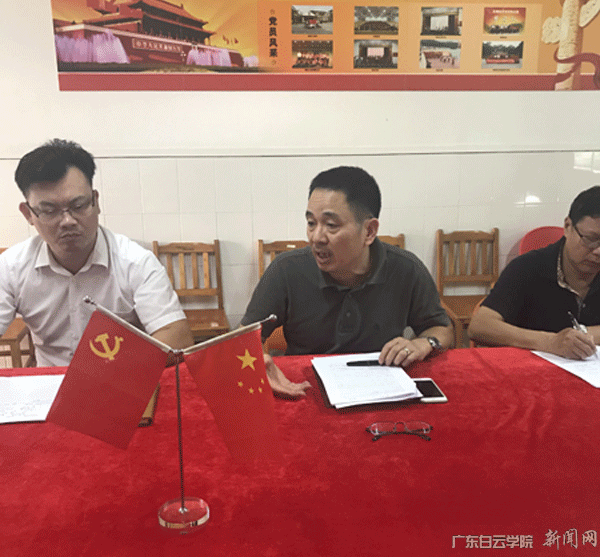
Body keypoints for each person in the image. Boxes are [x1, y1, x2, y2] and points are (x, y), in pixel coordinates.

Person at [242, 166, 454, 396]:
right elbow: (243, 340)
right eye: (311, 223)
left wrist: (423, 343)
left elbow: (441, 328)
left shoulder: (405, 269)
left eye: (331, 225)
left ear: (369, 231)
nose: (316, 237)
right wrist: (260, 365)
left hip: (381, 391)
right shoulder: (286, 269)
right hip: (305, 390)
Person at [0, 139, 194, 368]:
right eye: (49, 210)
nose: (67, 221)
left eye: (78, 205)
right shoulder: (11, 267)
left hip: (120, 377)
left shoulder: (135, 262)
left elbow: (176, 339)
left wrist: (100, 378)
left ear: (96, 201)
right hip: (51, 382)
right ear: (28, 214)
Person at [468, 186, 600, 359]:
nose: (598, 251)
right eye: (591, 239)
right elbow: (480, 326)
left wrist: (583, 335)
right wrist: (550, 342)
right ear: (567, 226)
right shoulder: (528, 267)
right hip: (529, 367)